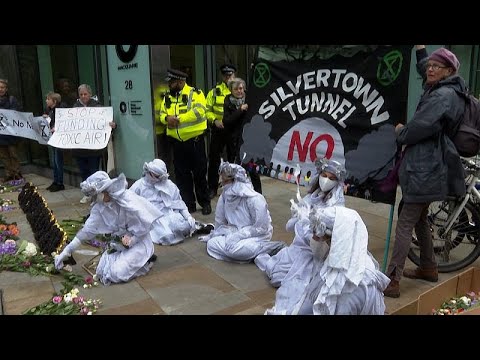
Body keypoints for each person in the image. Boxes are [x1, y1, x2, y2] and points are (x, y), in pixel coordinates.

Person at [383, 47, 466, 298]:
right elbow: (425, 69)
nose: (430, 69)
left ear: (449, 72)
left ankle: (391, 280)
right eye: (429, 65)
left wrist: (400, 132)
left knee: (406, 223)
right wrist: (421, 51)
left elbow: (417, 128)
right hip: (427, 166)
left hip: (426, 168)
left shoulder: (441, 97)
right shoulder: (443, 86)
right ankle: (428, 267)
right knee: (418, 218)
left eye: (436, 66)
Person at [266, 206, 390, 315]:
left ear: (334, 241)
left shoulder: (348, 286)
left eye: (316, 236)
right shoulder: (339, 259)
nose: (312, 240)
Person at [54, 171, 161, 285]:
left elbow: (143, 227)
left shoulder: (127, 200)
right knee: (101, 271)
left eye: (96, 194)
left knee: (116, 273)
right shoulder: (99, 208)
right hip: (119, 244)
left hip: (139, 242)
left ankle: (146, 260)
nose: (94, 198)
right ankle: (133, 261)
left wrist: (132, 240)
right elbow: (86, 232)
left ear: (104, 191)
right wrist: (67, 251)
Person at [255, 157, 346, 287]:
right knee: (276, 274)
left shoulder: (336, 209)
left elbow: (321, 246)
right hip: (297, 249)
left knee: (284, 281)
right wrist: (297, 217)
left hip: (313, 255)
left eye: (331, 179)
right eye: (324, 176)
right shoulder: (310, 198)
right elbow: (290, 227)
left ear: (337, 183)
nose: (326, 180)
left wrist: (309, 227)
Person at [199, 161, 286, 263]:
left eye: (225, 181)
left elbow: (261, 228)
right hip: (232, 231)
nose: (222, 184)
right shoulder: (224, 197)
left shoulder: (255, 199)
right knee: (212, 244)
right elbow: (220, 221)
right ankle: (248, 254)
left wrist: (239, 236)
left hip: (255, 236)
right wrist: (214, 235)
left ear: (236, 181)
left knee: (236, 250)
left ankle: (271, 247)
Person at [159, 69, 211, 215]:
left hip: (194, 141)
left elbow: (200, 111)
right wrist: (166, 119)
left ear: (181, 82)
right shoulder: (168, 97)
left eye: (172, 82)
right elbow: (163, 114)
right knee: (182, 176)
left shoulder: (196, 94)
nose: (169, 84)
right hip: (177, 143)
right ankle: (189, 204)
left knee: (200, 174)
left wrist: (179, 119)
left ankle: (205, 203)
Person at [130, 159, 210, 245]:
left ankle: (197, 226)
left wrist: (188, 217)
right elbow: (129, 202)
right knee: (166, 237)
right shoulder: (139, 185)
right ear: (149, 172)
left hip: (170, 214)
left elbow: (179, 203)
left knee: (181, 227)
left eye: (160, 177)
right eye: (156, 176)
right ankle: (193, 228)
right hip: (153, 219)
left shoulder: (169, 184)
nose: (158, 179)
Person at [72, 84, 116, 203]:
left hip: (93, 149)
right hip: (79, 148)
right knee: (83, 171)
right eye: (81, 94)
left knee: (94, 171)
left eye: (85, 94)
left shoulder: (98, 107)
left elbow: (106, 122)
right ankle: (87, 193)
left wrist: (111, 125)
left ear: (90, 94)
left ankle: (95, 193)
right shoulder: (74, 108)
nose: (83, 96)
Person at [222, 77, 262, 193]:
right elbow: (227, 121)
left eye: (241, 88)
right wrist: (240, 110)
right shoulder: (228, 101)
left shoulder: (249, 100)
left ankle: (259, 195)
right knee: (236, 171)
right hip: (234, 143)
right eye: (236, 89)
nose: (239, 91)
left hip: (249, 142)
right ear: (231, 90)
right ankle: (237, 194)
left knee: (253, 171)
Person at [206, 64, 236, 199]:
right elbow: (206, 110)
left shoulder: (239, 90)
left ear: (234, 75)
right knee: (214, 160)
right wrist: (214, 120)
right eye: (225, 75)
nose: (228, 77)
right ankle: (212, 188)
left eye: (230, 75)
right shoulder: (214, 92)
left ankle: (234, 187)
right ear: (222, 76)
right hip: (218, 130)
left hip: (233, 131)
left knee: (233, 160)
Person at [0, 78, 23, 182]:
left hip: (11, 133)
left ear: (6, 89)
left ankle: (17, 174)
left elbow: (18, 113)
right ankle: (9, 174)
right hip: (0, 134)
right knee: (4, 156)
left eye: (2, 87)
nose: (0, 89)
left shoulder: (12, 100)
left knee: (13, 154)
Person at [43, 92, 66, 192]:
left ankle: (60, 182)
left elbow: (63, 123)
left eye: (48, 99)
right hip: (53, 138)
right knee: (55, 161)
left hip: (59, 138)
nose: (46, 101)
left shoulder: (60, 110)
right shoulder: (50, 110)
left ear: (54, 101)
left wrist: (56, 128)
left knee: (58, 161)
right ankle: (56, 181)